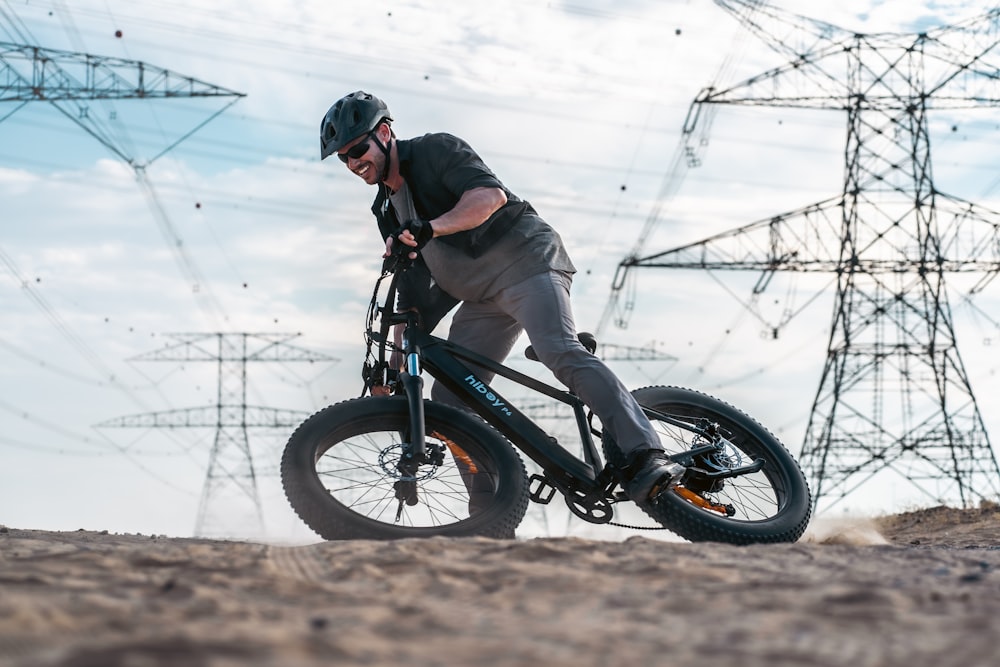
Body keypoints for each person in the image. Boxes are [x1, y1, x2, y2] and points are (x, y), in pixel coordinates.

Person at [319, 90, 684, 505]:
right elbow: (411, 301)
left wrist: (431, 228)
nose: (353, 162)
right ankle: (489, 505)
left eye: (358, 149)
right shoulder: (385, 209)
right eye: (343, 158)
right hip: (481, 298)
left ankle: (647, 454)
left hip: (527, 262)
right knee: (450, 398)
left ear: (384, 133)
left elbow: (488, 198)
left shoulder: (436, 149)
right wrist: (393, 368)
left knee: (557, 350)